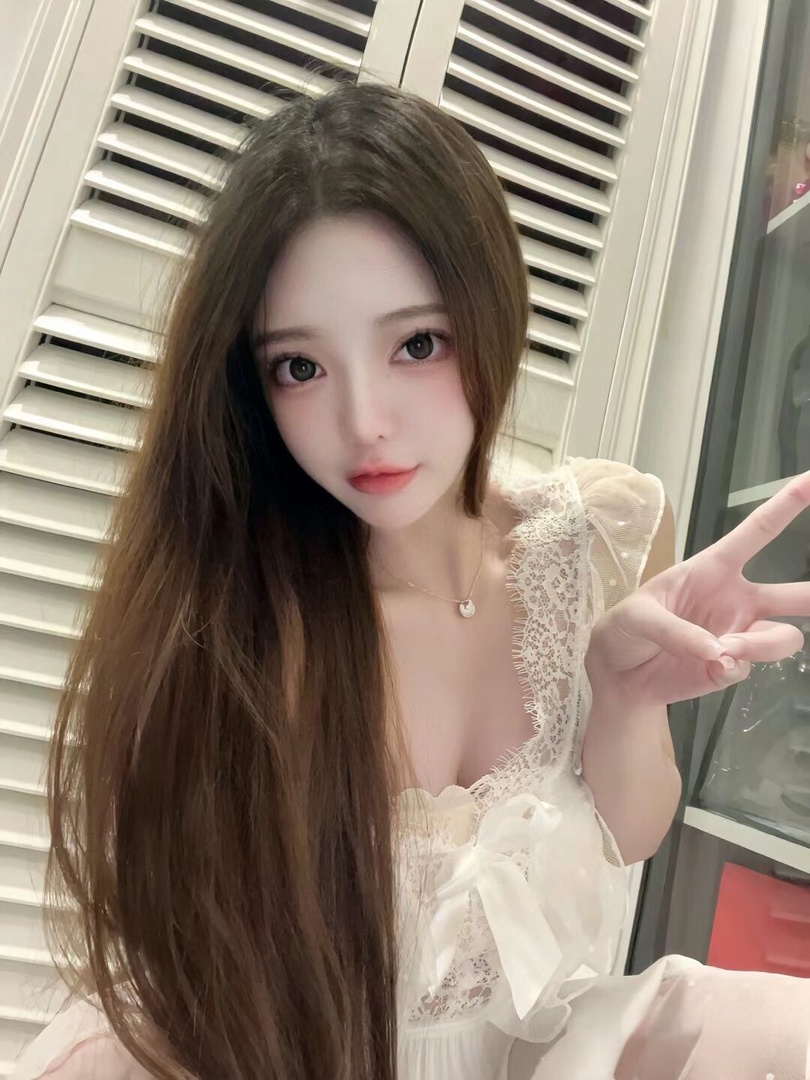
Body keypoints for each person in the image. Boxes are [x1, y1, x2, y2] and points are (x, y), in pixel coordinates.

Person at [11, 81, 810, 1080]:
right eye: (300, 367)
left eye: (416, 344)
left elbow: (629, 832)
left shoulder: (603, 538)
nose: (365, 423)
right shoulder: (237, 620)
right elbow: (208, 974)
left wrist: (622, 698)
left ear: (491, 310)